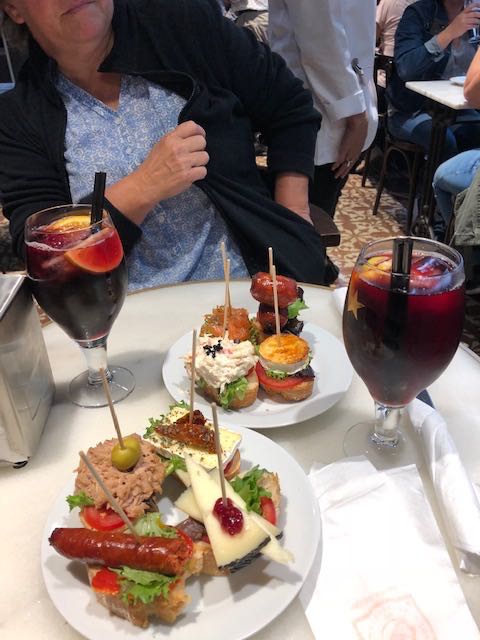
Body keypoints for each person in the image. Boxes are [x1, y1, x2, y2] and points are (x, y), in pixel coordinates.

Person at [0, 0, 333, 290]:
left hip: (247, 289)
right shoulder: (17, 119)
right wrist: (143, 186)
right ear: (14, 8)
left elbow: (289, 105)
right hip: (123, 316)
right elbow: (46, 257)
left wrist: (294, 213)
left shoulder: (182, 25)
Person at [269, 0, 378, 220]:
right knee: (307, 220)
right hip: (320, 109)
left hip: (337, 102)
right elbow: (319, 36)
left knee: (319, 214)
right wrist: (355, 114)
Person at [387, 0, 480, 160]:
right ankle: (437, 177)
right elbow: (406, 68)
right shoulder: (418, 13)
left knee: (475, 134)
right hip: (410, 111)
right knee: (443, 141)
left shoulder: (475, 17)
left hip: (458, 110)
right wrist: (449, 33)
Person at [376, 0, 417, 87]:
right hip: (420, 79)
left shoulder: (389, 2)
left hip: (388, 78)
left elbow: (371, 38)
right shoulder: (431, 6)